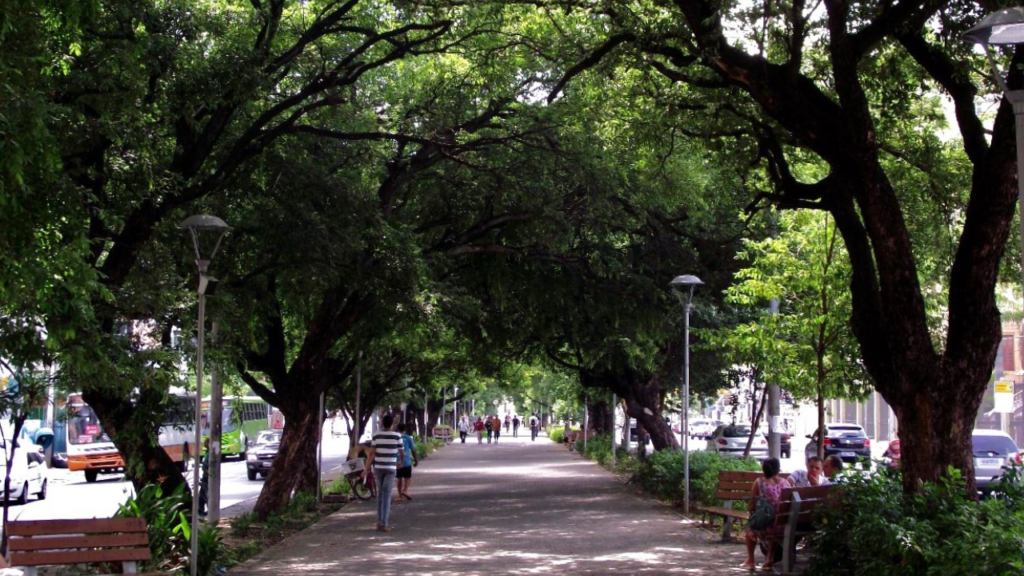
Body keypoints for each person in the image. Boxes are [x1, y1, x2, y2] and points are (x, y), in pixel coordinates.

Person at [362, 413, 404, 532]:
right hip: (391, 468)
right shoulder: (397, 436)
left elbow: (371, 453)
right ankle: (384, 524)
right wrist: (400, 462)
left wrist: (366, 469)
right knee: (386, 495)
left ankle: (379, 522)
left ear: (382, 423)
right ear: (392, 424)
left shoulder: (376, 435)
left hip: (378, 468)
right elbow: (402, 453)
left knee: (380, 494)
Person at [741, 457, 785, 571]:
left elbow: (751, 506)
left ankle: (751, 560)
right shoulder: (785, 483)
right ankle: (769, 558)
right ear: (778, 469)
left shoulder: (759, 482)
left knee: (751, 526)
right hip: (782, 526)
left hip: (765, 526)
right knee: (774, 522)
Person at [395, 423, 419, 501]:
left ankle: (399, 496)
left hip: (397, 462)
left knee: (399, 478)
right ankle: (405, 490)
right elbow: (413, 450)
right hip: (406, 461)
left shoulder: (395, 438)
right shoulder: (408, 438)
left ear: (397, 429)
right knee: (407, 477)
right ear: (405, 429)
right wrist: (416, 460)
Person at [198, 437, 210, 516]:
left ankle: (207, 510)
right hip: (205, 475)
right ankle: (201, 511)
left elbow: (207, 464)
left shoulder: (210, 454)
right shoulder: (207, 452)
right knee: (202, 495)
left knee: (205, 494)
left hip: (208, 476)